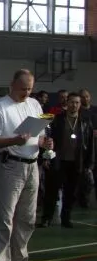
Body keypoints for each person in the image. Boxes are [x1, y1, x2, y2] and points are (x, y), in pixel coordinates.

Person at [0, 69, 53, 261]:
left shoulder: (35, 105)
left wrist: (45, 142)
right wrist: (14, 140)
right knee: (5, 218)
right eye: (23, 88)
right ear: (12, 84)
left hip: (32, 166)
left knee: (27, 217)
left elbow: (40, 134)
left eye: (30, 89)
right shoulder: (0, 106)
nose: (27, 92)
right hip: (10, 166)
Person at [38, 92, 93, 228]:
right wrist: (45, 158)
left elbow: (90, 144)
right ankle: (46, 218)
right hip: (58, 161)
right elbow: (46, 137)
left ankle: (66, 219)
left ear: (80, 104)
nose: (74, 105)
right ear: (67, 103)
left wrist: (88, 163)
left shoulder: (86, 121)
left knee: (71, 193)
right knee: (51, 191)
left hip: (76, 162)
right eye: (72, 102)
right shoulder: (56, 118)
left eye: (77, 102)